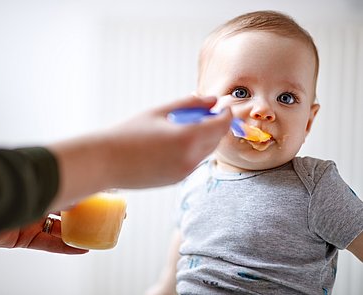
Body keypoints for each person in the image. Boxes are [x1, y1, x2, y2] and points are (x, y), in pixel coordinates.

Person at [146, 10, 363, 295]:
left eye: (286, 98)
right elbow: (171, 277)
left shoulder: (315, 185)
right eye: (240, 92)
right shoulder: (193, 180)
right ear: (202, 111)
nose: (262, 110)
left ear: (308, 122)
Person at [0, 95, 232, 253]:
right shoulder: (200, 183)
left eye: (277, 97)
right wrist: (112, 157)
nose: (262, 110)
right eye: (241, 92)